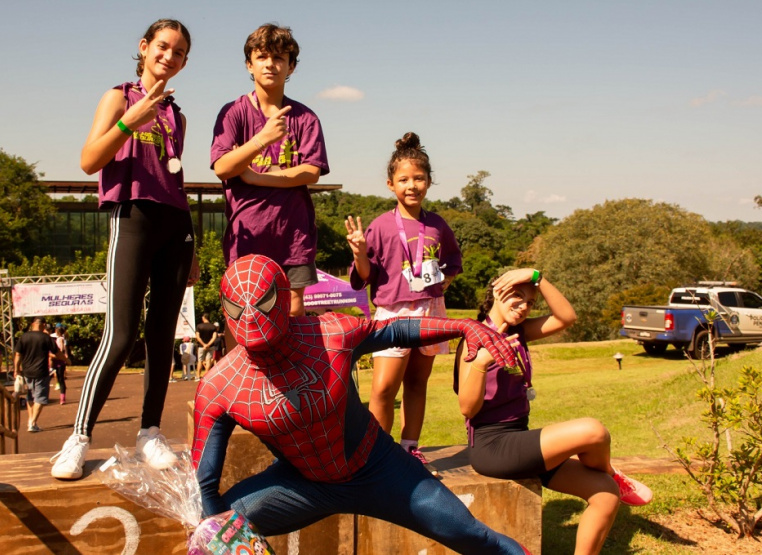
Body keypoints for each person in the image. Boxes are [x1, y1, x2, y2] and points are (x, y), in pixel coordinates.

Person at [192, 255, 529, 555]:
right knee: (214, 531)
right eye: (240, 310)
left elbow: (396, 330)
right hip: (302, 484)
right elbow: (203, 483)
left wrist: (463, 325)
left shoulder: (330, 333)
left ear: (282, 300)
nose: (251, 317)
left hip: (378, 466)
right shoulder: (218, 386)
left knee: (474, 536)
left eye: (262, 305)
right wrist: (216, 538)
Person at [50, 19, 198, 481]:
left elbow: (174, 178)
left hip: (176, 225)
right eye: (162, 47)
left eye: (178, 52)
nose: (168, 57)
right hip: (131, 216)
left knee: (162, 336)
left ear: (184, 63)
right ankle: (77, 438)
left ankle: (150, 432)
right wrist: (126, 123)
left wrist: (190, 243)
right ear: (144, 47)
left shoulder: (178, 115)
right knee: (120, 334)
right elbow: (89, 159)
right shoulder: (119, 97)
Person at [454, 269, 653, 554]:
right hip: (492, 447)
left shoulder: (518, 332)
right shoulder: (474, 339)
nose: (524, 307)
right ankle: (610, 469)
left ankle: (610, 479)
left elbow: (565, 318)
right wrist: (481, 362)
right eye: (517, 297)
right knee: (593, 431)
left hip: (519, 440)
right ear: (497, 292)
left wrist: (537, 277)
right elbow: (467, 407)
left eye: (531, 302)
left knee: (606, 493)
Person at [346, 132, 462, 471]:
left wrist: (439, 285)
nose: (412, 185)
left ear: (429, 182)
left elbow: (452, 263)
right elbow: (365, 275)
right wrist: (358, 252)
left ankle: (410, 447)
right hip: (393, 312)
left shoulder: (438, 225)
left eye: (419, 178)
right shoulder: (381, 226)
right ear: (390, 184)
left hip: (430, 309)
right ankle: (379, 453)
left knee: (416, 383)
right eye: (404, 180)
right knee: (383, 388)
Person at [211, 23, 330, 317]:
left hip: (294, 235)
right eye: (262, 56)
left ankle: (290, 367)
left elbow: (311, 172)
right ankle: (240, 367)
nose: (270, 65)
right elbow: (223, 167)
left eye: (279, 58)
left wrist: (256, 177)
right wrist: (261, 139)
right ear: (249, 64)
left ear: (291, 67)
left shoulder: (305, 117)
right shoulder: (233, 112)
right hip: (247, 232)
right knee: (241, 312)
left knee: (293, 309)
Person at [14, 318, 62, 433]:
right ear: (44, 325)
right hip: (41, 372)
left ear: (32, 324)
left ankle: (31, 421)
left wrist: (16, 370)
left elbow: (17, 355)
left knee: (30, 397)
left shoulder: (24, 336)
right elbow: (57, 352)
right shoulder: (46, 337)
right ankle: (32, 423)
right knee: (40, 398)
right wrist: (66, 360)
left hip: (27, 372)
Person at [51, 323, 71, 405]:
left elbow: (62, 349)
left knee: (60, 378)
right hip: (57, 360)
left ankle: (62, 398)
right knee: (59, 378)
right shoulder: (53, 337)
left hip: (59, 361)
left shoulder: (60, 339)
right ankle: (62, 397)